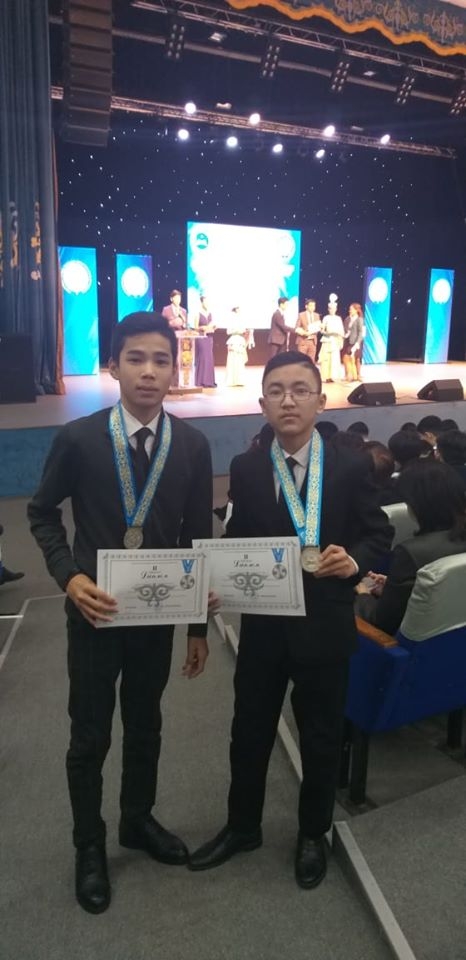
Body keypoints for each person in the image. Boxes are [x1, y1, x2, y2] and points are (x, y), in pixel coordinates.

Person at [28, 313, 213, 915]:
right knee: (89, 735)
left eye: (161, 360)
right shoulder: (79, 438)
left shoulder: (192, 445)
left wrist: (197, 627)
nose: (149, 372)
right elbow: (41, 513)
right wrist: (69, 575)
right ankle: (89, 844)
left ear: (174, 369)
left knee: (146, 723)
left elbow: (195, 538)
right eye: (136, 358)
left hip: (158, 616)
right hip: (96, 614)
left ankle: (137, 819)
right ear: (113, 366)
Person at [188, 351, 392, 888]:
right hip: (264, 626)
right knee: (248, 731)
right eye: (277, 391)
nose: (288, 400)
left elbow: (378, 534)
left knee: (321, 736)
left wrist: (355, 562)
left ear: (320, 401)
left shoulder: (350, 464)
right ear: (262, 404)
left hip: (325, 625)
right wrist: (217, 577)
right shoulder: (247, 467)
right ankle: (242, 827)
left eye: (300, 390)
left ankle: (312, 834)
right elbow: (238, 539)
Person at [355, 460, 466, 635]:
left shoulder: (411, 553)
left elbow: (381, 622)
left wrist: (363, 594)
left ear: (417, 505)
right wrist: (393, 588)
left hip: (397, 647)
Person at [225, 307, 253, 387]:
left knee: (240, 360)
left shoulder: (241, 320)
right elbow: (228, 331)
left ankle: (240, 380)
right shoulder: (230, 320)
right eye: (238, 309)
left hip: (240, 340)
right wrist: (238, 330)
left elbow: (244, 330)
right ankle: (232, 380)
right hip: (233, 340)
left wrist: (246, 331)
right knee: (233, 359)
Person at [194, 295, 216, 387]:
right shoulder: (198, 313)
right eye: (205, 302)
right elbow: (195, 327)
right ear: (202, 302)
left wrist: (213, 327)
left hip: (209, 337)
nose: (207, 303)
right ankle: (201, 380)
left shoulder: (210, 313)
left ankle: (209, 381)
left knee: (209, 357)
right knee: (203, 357)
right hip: (201, 337)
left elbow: (212, 325)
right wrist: (202, 328)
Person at [319, 301, 344, 383]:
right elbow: (322, 330)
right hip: (327, 340)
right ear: (328, 309)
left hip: (335, 341)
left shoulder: (338, 318)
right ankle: (326, 376)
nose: (332, 310)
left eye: (333, 308)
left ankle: (333, 376)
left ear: (336, 309)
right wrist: (327, 333)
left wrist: (341, 340)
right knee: (326, 359)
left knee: (334, 359)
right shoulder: (326, 318)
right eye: (330, 308)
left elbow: (341, 331)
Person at [341, 303, 364, 382]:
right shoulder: (347, 319)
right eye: (349, 309)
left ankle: (358, 375)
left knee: (356, 359)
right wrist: (345, 334)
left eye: (351, 309)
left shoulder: (359, 319)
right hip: (347, 341)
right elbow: (344, 329)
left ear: (356, 310)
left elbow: (360, 332)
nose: (349, 311)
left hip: (356, 342)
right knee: (346, 358)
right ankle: (348, 375)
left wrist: (357, 343)